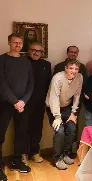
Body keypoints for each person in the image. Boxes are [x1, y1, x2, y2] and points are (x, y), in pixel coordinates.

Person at [0, 33, 34, 179]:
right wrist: (14, 101)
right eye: (15, 42)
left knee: (21, 132)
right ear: (9, 43)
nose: (18, 45)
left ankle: (16, 161)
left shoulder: (26, 61)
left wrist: (23, 101)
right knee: (0, 135)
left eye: (20, 43)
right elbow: (1, 84)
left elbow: (31, 84)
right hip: (4, 103)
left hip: (22, 105)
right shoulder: (2, 59)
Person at [45, 60, 83, 170]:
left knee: (71, 128)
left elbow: (77, 96)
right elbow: (54, 97)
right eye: (71, 68)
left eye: (76, 69)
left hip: (67, 107)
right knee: (59, 131)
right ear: (66, 68)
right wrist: (57, 117)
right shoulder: (58, 78)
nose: (74, 71)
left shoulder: (79, 77)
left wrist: (73, 113)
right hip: (53, 107)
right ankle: (58, 158)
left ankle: (66, 154)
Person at [25, 42, 52, 163]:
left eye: (39, 51)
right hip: (24, 102)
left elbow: (49, 84)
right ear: (28, 50)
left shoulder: (46, 64)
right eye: (33, 50)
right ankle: (22, 153)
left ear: (42, 53)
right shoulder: (22, 62)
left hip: (40, 102)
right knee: (22, 128)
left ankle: (34, 152)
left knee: (37, 128)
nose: (36, 53)